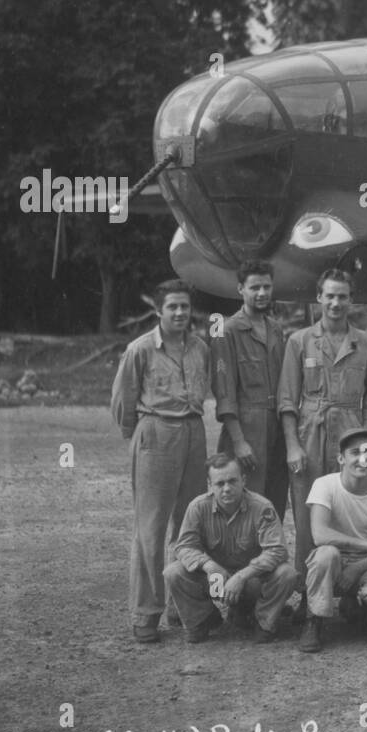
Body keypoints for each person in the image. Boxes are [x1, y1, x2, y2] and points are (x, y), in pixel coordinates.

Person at [110, 280, 211, 643]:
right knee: (150, 529)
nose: (180, 313)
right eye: (173, 307)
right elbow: (123, 402)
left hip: (193, 432)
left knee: (190, 525)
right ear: (158, 311)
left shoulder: (200, 348)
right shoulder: (140, 350)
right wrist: (141, 437)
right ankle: (146, 612)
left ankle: (182, 607)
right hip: (156, 431)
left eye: (185, 307)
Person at [278, 268, 367, 564]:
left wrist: (366, 445)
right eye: (330, 296)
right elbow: (287, 399)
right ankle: (305, 589)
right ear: (319, 297)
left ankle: (349, 588)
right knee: (306, 508)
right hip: (310, 430)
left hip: (351, 429)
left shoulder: (366, 343)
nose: (336, 303)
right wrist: (292, 446)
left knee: (349, 507)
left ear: (352, 300)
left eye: (342, 297)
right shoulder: (299, 341)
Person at [164, 454, 298, 643]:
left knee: (287, 574)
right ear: (210, 484)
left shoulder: (262, 507)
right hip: (216, 580)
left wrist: (242, 576)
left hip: (251, 581)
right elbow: (184, 547)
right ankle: (202, 619)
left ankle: (263, 621)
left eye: (232, 481)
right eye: (220, 484)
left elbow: (277, 550)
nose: (227, 489)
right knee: (173, 572)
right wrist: (209, 566)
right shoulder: (198, 507)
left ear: (243, 480)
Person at [298, 428, 367, 653]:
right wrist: (366, 544)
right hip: (334, 559)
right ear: (341, 458)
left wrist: (360, 566)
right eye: (354, 453)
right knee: (326, 555)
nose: (362, 459)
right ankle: (314, 619)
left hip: (365, 563)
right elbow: (320, 534)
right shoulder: (324, 485)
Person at [210, 260, 287, 519]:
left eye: (267, 287)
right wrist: (239, 441)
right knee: (242, 501)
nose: (262, 293)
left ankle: (270, 557)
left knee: (273, 501)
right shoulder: (225, 330)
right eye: (255, 287)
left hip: (276, 426)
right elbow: (224, 391)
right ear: (240, 288)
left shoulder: (276, 329)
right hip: (245, 427)